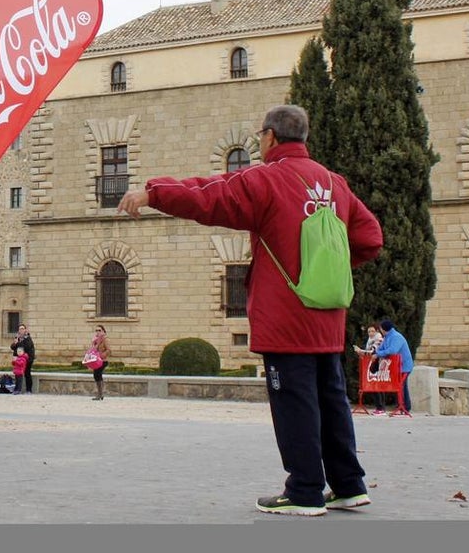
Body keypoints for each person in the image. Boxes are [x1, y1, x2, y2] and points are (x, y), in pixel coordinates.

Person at [118, 104, 384, 516]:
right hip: (328, 317)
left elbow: (210, 197)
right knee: (331, 399)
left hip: (286, 317)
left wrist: (154, 193)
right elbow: (369, 238)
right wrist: (323, 267)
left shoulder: (267, 179)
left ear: (272, 137)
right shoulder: (334, 183)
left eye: (260, 135)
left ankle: (305, 491)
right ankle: (349, 485)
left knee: (294, 402)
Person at [374, 319, 414, 413]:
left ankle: (404, 406)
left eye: (380, 329)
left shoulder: (396, 337)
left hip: (404, 366)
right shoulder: (387, 337)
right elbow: (381, 348)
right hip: (397, 367)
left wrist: (378, 354)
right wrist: (378, 352)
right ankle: (403, 406)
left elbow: (392, 350)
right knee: (401, 385)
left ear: (383, 329)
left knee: (401, 385)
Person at [353, 323, 386, 413]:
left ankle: (380, 408)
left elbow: (373, 351)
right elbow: (369, 352)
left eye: (372, 331)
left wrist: (361, 351)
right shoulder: (370, 339)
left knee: (377, 385)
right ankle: (380, 407)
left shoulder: (379, 338)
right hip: (373, 364)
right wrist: (361, 352)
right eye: (369, 331)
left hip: (378, 364)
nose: (371, 333)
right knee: (376, 385)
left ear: (377, 331)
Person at [10, 324, 36, 394]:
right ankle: (17, 389)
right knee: (18, 374)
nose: (21, 330)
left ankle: (29, 390)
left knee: (27, 373)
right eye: (20, 329)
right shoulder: (17, 338)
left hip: (27, 359)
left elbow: (26, 347)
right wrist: (15, 343)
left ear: (25, 330)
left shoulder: (27, 338)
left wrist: (19, 342)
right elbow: (12, 347)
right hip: (19, 359)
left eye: (22, 329)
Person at [87, 324, 111, 400]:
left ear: (103, 331)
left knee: (97, 375)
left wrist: (101, 356)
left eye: (99, 330)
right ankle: (100, 394)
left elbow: (109, 350)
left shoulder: (105, 339)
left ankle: (100, 394)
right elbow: (93, 350)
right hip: (96, 360)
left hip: (103, 361)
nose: (98, 332)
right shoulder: (95, 340)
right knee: (97, 376)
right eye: (96, 330)